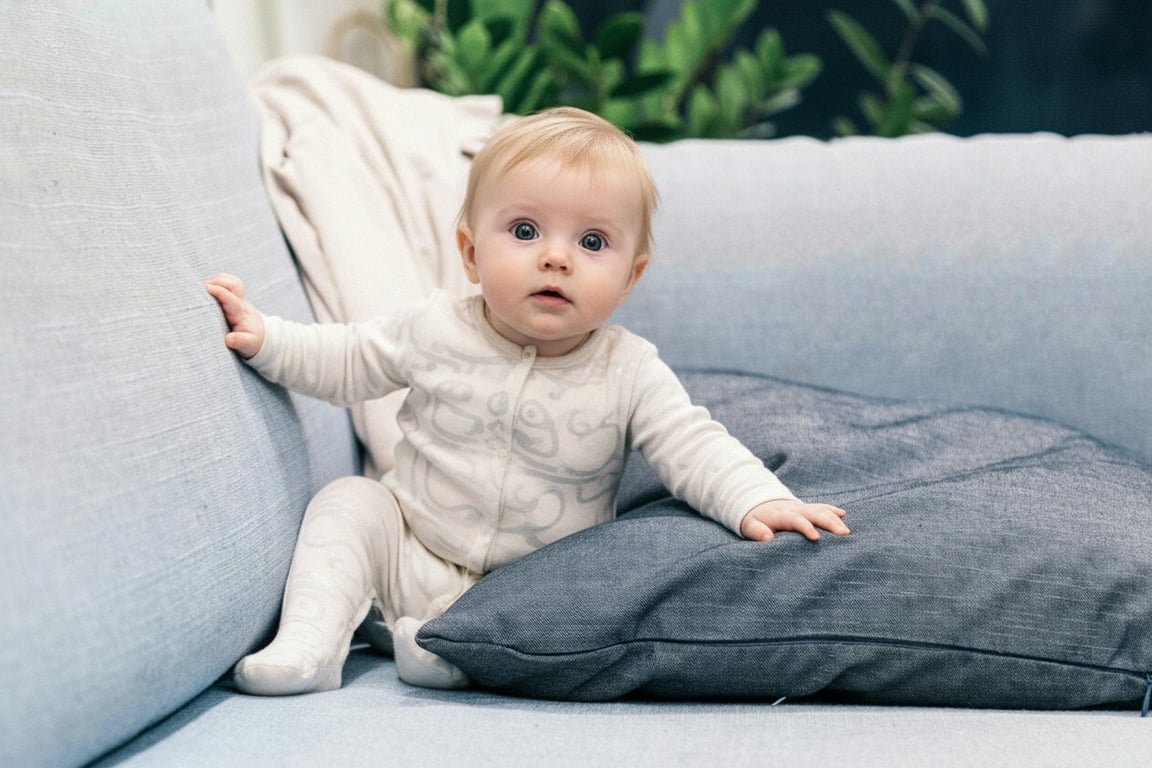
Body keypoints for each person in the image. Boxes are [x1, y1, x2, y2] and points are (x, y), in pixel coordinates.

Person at [205, 106, 849, 695]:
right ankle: (311, 642)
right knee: (350, 500)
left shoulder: (628, 370)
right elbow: (346, 359)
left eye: (592, 242)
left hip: (529, 591)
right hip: (411, 550)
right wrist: (267, 338)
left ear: (630, 277)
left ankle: (452, 649)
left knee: (589, 584)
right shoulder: (434, 328)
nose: (556, 258)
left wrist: (758, 498)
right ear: (471, 253)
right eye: (524, 230)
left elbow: (693, 444)